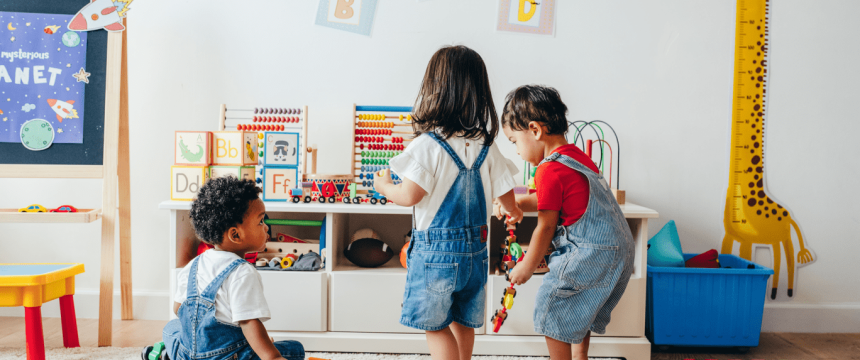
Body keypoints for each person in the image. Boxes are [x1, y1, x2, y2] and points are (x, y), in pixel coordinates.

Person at [374, 45, 522, 360]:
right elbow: (508, 198)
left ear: (434, 92)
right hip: (476, 255)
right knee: (463, 320)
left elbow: (408, 196)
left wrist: (384, 186)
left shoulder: (427, 145)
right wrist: (513, 210)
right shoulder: (486, 145)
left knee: (435, 325)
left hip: (435, 256)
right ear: (479, 95)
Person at [496, 85, 634, 360]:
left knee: (552, 305)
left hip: (592, 251)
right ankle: (579, 356)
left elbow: (546, 226)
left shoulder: (548, 169)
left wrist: (526, 265)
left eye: (514, 142)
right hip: (619, 248)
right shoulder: (576, 157)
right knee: (577, 305)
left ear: (535, 130)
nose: (517, 152)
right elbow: (557, 199)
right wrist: (521, 204)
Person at [159, 177, 304, 360]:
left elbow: (177, 308)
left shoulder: (193, 265)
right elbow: (249, 322)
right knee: (294, 349)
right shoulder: (242, 272)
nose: (266, 227)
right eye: (260, 221)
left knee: (172, 328)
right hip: (229, 357)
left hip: (187, 355)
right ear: (235, 234)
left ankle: (166, 354)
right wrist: (272, 357)